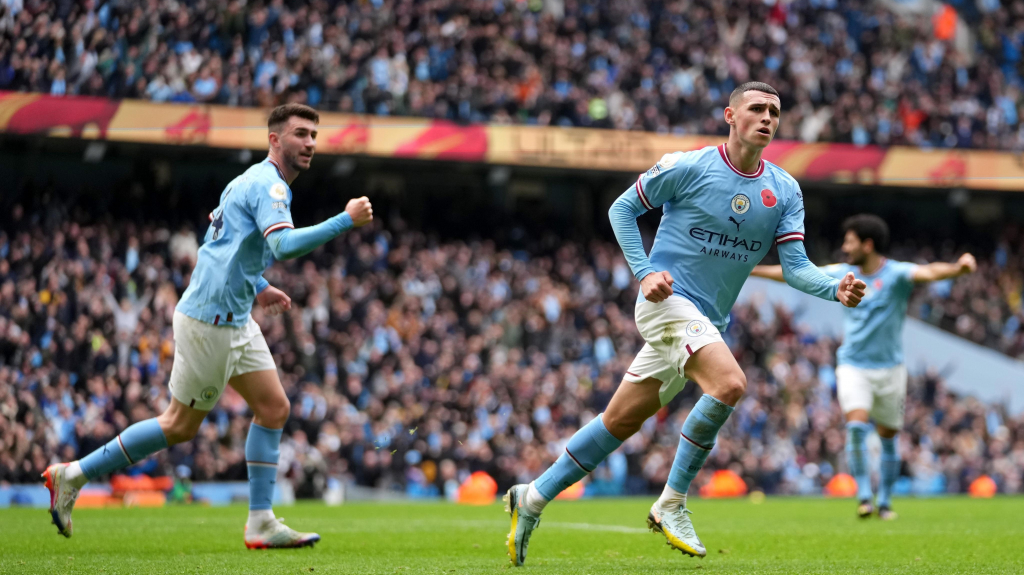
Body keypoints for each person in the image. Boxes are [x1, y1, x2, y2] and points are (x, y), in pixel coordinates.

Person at [502, 81, 867, 566]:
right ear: (729, 116)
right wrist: (645, 271)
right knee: (730, 384)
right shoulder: (689, 166)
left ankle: (531, 498)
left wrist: (833, 287)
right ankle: (672, 502)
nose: (767, 118)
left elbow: (797, 268)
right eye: (756, 108)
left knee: (619, 422)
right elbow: (622, 209)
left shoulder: (784, 189)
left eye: (775, 112)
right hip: (665, 303)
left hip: (705, 321)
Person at [43, 103, 374, 548]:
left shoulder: (248, 181)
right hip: (210, 323)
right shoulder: (270, 187)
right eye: (300, 133)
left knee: (274, 408)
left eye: (314, 134)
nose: (310, 142)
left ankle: (261, 522)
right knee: (179, 425)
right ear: (275, 139)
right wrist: (345, 219)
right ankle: (74, 474)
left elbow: (220, 245)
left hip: (235, 317)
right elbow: (285, 244)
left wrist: (258, 286)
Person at [751, 214, 976, 520]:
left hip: (890, 370)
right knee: (856, 427)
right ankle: (864, 497)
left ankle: (884, 501)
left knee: (888, 437)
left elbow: (929, 272)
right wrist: (751, 269)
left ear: (867, 245)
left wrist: (958, 269)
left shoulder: (896, 274)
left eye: (850, 240)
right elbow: (797, 272)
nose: (845, 246)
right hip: (853, 365)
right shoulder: (843, 273)